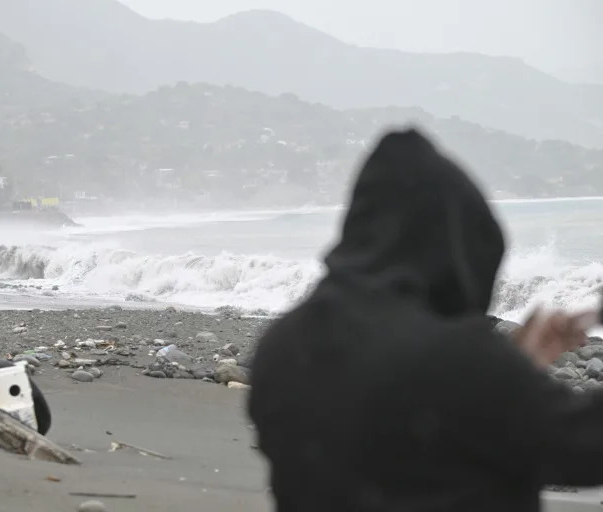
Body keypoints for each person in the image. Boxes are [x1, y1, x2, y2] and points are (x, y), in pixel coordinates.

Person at [247, 129, 596, 512]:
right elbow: (586, 446)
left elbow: (391, 434)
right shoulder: (461, 363)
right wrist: (499, 372)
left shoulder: (281, 347)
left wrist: (516, 368)